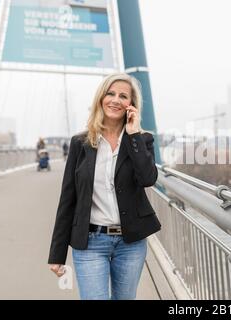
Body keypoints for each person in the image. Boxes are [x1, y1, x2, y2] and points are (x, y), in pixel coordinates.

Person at [48, 73, 161, 300]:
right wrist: (57, 253)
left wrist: (134, 134)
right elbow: (68, 198)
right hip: (90, 242)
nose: (115, 100)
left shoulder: (142, 140)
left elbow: (148, 178)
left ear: (131, 105)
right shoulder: (80, 143)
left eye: (123, 96)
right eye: (110, 93)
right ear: (101, 98)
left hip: (130, 243)